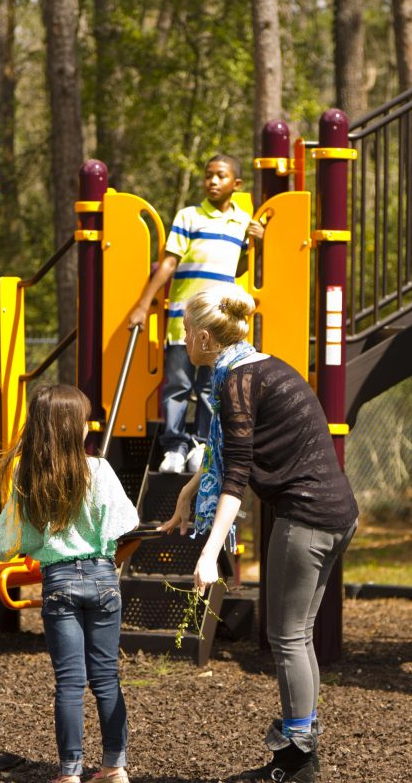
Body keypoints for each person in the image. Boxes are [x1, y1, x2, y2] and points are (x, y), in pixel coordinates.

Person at [158, 284, 358, 783]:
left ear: (205, 337)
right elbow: (230, 460)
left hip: (306, 518)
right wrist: (189, 490)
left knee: (286, 637)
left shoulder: (234, 384)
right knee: (299, 636)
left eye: (185, 333)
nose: (183, 343)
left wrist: (208, 553)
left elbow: (237, 476)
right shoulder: (262, 365)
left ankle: (295, 762)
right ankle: (299, 757)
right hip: (339, 513)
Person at [0, 383, 140, 783]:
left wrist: (40, 544)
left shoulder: (29, 474)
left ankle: (70, 773)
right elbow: (127, 523)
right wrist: (99, 540)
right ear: (74, 427)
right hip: (105, 579)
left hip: (59, 584)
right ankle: (114, 768)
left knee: (69, 683)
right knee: (106, 677)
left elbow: (1, 545)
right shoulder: (99, 469)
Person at [126, 154, 264, 475]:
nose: (212, 182)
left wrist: (255, 242)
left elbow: (237, 267)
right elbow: (170, 264)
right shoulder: (189, 217)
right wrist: (144, 303)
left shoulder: (242, 222)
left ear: (236, 184)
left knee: (208, 388)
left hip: (217, 322)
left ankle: (201, 446)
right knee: (177, 383)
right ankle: (174, 447)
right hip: (183, 320)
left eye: (220, 176)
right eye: (208, 176)